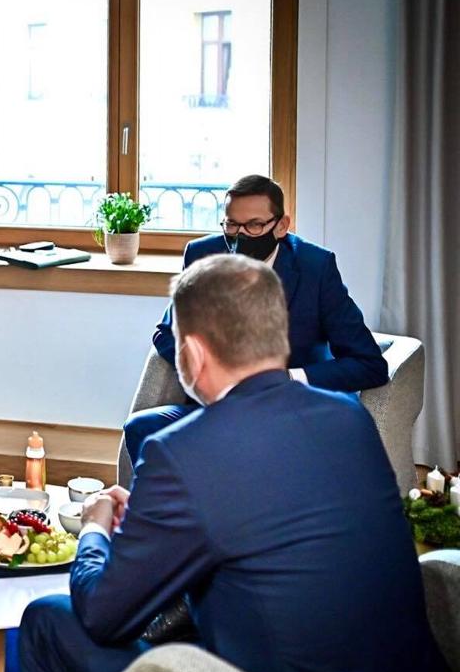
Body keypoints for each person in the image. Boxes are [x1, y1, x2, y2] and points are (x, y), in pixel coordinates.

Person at [19, 254, 458, 672]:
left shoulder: (180, 453)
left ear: (193, 354)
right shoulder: (349, 418)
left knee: (47, 622)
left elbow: (101, 616)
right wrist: (163, 524)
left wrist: (96, 525)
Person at [123, 174, 388, 469]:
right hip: (217, 409)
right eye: (231, 225)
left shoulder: (315, 267)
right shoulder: (202, 254)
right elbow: (166, 333)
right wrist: (214, 370)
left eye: (254, 226)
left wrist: (288, 378)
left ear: (281, 226)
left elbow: (369, 365)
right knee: (142, 427)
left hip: (288, 412)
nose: (240, 235)